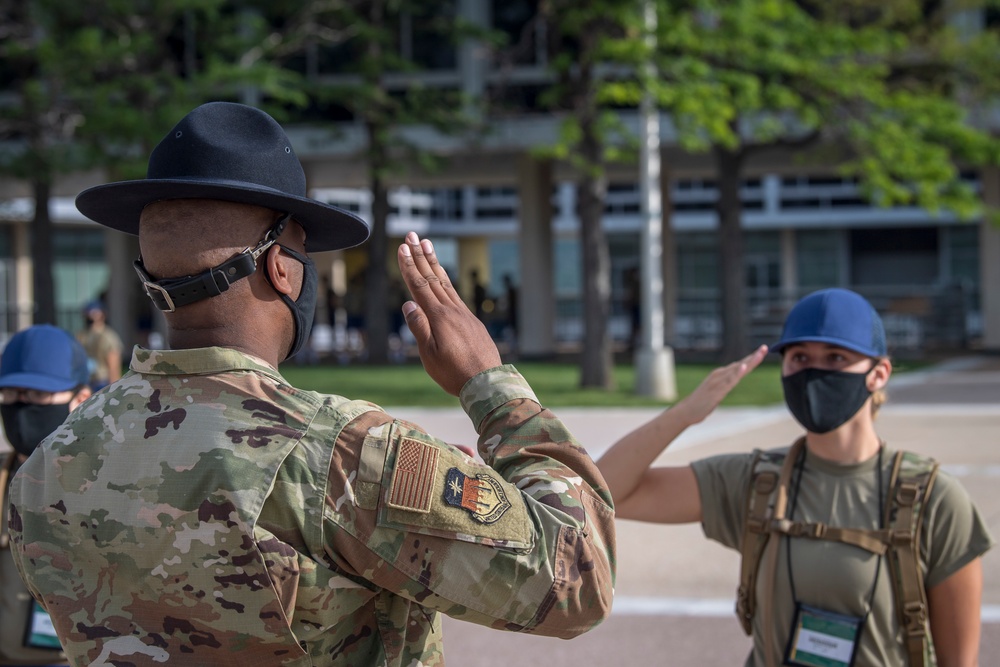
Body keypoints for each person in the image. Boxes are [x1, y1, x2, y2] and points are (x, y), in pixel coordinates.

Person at [8, 101, 615, 667]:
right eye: (302, 248)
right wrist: (491, 385)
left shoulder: (47, 466)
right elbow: (578, 580)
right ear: (281, 268)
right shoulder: (339, 452)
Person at [597, 288, 994, 667]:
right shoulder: (755, 481)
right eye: (800, 358)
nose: (814, 371)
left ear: (879, 373)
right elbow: (604, 493)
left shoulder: (933, 499)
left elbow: (959, 660)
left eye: (836, 357)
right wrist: (684, 414)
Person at [0, 325, 92, 667]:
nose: (21, 406)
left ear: (80, 399)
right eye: (11, 394)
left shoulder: (112, 486)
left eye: (38, 395)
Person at [76, 300, 123, 391]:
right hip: (85, 381)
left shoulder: (108, 336)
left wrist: (114, 389)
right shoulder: (81, 335)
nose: (91, 315)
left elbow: (114, 365)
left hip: (102, 382)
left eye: (95, 312)